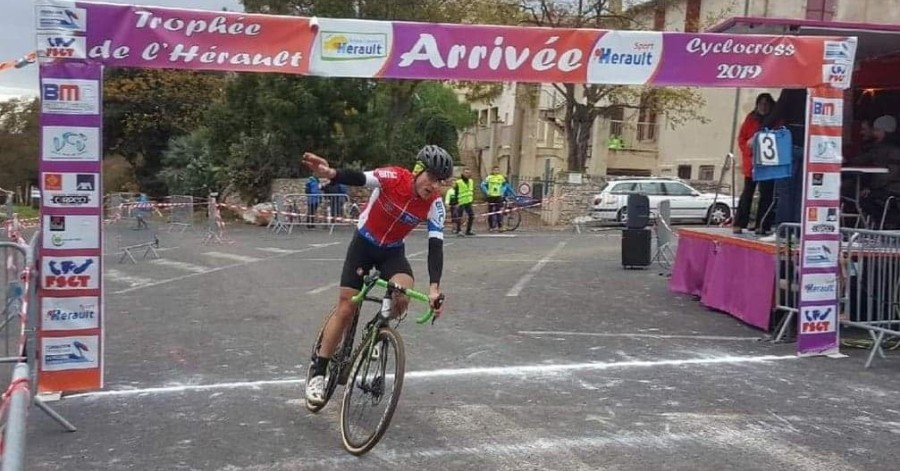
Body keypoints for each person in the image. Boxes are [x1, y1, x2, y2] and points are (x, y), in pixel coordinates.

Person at [303, 145, 452, 406]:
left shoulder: (435, 205)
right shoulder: (394, 178)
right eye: (431, 176)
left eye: (440, 181)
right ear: (418, 171)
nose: (433, 185)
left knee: (402, 297)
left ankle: (376, 329)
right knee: (347, 307)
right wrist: (332, 173)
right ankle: (319, 371)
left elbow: (435, 246)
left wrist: (434, 289)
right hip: (364, 244)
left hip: (392, 252)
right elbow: (361, 178)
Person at [734, 93, 777, 235]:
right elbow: (742, 138)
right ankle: (739, 223)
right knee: (747, 193)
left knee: (766, 195)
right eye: (761, 104)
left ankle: (762, 225)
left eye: (766, 104)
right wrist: (748, 150)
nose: (763, 107)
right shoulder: (750, 119)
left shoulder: (776, 121)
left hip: (768, 164)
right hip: (752, 164)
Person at [858, 115, 900, 228]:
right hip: (887, 187)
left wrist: (872, 188)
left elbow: (890, 173)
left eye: (877, 130)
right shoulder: (878, 148)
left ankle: (886, 223)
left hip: (892, 188)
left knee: (865, 199)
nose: (874, 133)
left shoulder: (893, 150)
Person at [481, 166, 513, 232]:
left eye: (497, 170)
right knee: (490, 212)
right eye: (495, 170)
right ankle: (491, 227)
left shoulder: (501, 177)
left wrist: (502, 192)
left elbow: (505, 185)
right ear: (492, 171)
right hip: (491, 197)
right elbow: (482, 185)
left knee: (499, 212)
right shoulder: (489, 177)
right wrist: (487, 191)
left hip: (498, 197)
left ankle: (500, 227)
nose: (496, 171)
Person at [453, 167, 476, 236]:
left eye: (468, 173)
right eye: (466, 172)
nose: (467, 174)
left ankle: (468, 230)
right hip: (461, 201)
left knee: (471, 216)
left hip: (468, 201)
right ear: (463, 173)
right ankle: (458, 230)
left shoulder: (471, 181)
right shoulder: (458, 182)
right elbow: (456, 192)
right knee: (459, 216)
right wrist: (456, 202)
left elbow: (471, 191)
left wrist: (472, 200)